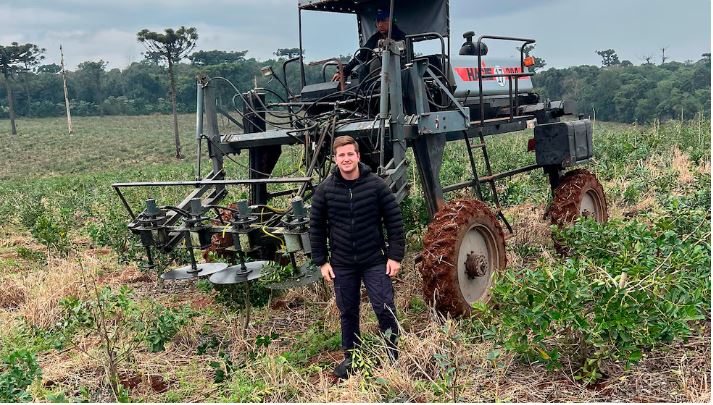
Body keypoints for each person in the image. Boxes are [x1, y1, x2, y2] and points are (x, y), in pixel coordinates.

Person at [309, 135, 405, 379]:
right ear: (335, 159)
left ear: (358, 156)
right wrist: (322, 261)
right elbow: (316, 227)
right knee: (348, 312)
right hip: (342, 264)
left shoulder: (376, 185)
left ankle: (392, 355)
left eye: (350, 154)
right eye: (341, 155)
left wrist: (395, 257)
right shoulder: (325, 190)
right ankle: (352, 358)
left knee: (384, 308)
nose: (346, 159)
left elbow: (394, 221)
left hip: (374, 260)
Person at [333, 8, 407, 82]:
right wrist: (343, 72)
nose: (380, 25)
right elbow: (361, 55)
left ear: (392, 21)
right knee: (362, 70)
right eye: (378, 21)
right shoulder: (374, 39)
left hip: (397, 77)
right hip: (374, 79)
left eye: (383, 20)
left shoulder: (402, 38)